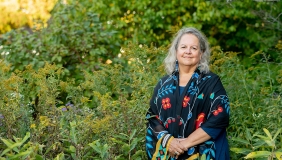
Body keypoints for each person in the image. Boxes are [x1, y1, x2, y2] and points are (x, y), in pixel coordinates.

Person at [145, 27, 230, 160]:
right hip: (169, 153)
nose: (188, 52)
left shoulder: (211, 82)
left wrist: (185, 143)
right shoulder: (163, 84)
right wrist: (169, 142)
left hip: (202, 154)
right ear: (176, 51)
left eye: (194, 48)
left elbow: (220, 117)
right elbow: (152, 117)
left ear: (201, 53)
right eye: (183, 47)